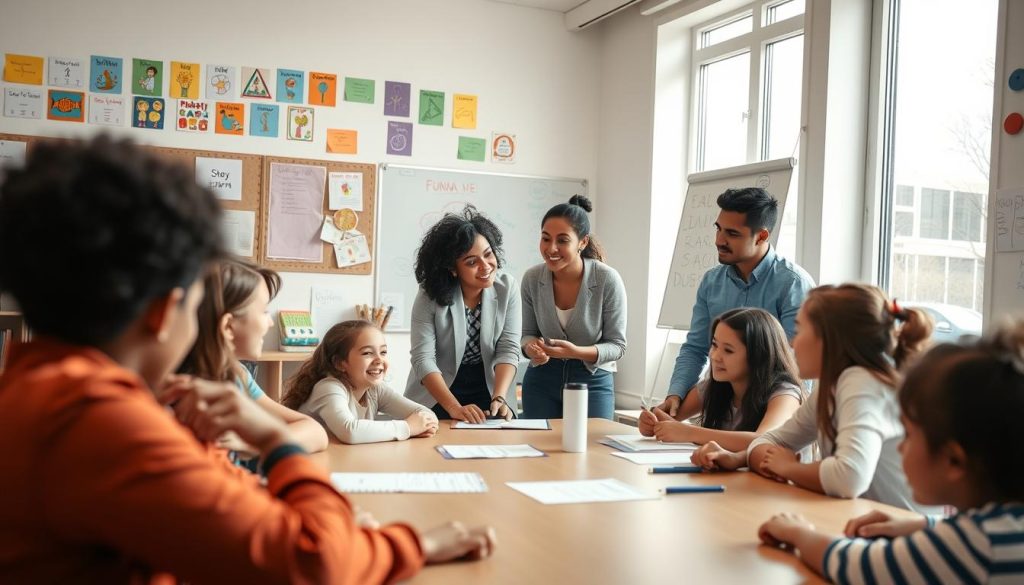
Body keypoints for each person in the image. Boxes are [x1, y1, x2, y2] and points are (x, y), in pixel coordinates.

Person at [0, 136, 494, 583]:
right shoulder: (100, 422)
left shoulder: (40, 389)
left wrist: (330, 529)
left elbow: (217, 502)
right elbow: (315, 562)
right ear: (165, 311)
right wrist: (414, 543)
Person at [757, 319, 1024, 584]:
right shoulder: (1000, 531)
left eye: (908, 434)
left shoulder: (977, 547)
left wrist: (799, 533)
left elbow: (854, 563)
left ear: (953, 461)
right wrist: (923, 524)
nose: (900, 446)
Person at [692, 284, 935, 514]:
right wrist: (739, 458)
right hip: (863, 522)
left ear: (828, 340)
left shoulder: (861, 382)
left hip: (907, 535)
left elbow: (848, 478)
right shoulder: (831, 385)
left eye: (799, 331)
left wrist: (788, 467)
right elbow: (772, 441)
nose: (793, 342)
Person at [656, 187, 814, 417]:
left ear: (761, 236)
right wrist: (675, 396)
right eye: (718, 229)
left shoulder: (793, 284)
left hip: (775, 417)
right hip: (721, 409)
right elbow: (696, 347)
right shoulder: (711, 281)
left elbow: (797, 366)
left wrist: (780, 423)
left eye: (732, 233)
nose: (719, 240)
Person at [179, 258, 328, 465]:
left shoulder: (237, 374)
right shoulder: (184, 396)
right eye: (264, 311)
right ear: (229, 327)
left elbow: (316, 432)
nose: (270, 322)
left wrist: (253, 445)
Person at [404, 205, 521, 423]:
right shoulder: (430, 294)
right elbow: (423, 359)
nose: (485, 266)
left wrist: (500, 397)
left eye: (488, 255)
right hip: (438, 390)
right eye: (471, 262)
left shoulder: (507, 288)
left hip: (490, 385)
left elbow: (508, 349)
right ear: (453, 268)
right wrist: (454, 407)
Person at [520, 194, 626, 420]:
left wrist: (576, 352)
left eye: (562, 240)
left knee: (594, 450)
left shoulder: (607, 279)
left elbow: (617, 346)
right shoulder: (532, 278)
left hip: (592, 380)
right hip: (541, 381)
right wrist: (531, 349)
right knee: (537, 452)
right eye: (545, 239)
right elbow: (527, 334)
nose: (551, 248)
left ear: (583, 242)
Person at [638, 308, 803, 451]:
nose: (715, 356)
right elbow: (669, 420)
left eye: (728, 350)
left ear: (758, 355)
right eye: (714, 345)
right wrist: (651, 423)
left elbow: (764, 441)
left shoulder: (785, 393)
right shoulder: (716, 384)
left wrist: (689, 432)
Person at [285, 321, 439, 444]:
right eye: (367, 353)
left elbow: (426, 415)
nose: (379, 360)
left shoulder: (376, 390)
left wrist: (422, 425)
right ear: (340, 363)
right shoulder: (328, 387)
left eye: (383, 352)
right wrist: (409, 428)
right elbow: (349, 431)